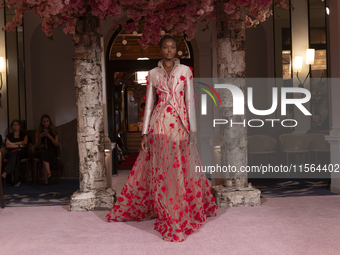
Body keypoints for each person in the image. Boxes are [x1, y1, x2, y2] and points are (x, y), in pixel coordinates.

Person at [107, 35, 218, 242]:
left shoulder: (186, 71)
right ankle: (167, 208)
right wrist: (144, 133)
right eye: (166, 47)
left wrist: (193, 130)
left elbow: (188, 100)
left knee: (179, 167)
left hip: (180, 124)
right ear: (160, 50)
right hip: (159, 123)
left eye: (173, 47)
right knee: (163, 168)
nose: (169, 50)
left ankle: (179, 206)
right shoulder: (153, 73)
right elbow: (149, 104)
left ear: (176, 50)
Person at [1, 120, 28, 187]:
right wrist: (19, 145)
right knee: (15, 156)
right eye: (14, 125)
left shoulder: (24, 134)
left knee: (15, 155)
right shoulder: (9, 135)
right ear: (12, 127)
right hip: (11, 153)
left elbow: (25, 143)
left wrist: (13, 143)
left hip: (21, 152)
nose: (15, 126)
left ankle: (5, 172)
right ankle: (16, 181)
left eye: (17, 125)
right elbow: (7, 145)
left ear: (20, 126)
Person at [35, 114, 59, 185]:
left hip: (51, 150)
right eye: (44, 121)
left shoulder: (54, 132)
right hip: (41, 150)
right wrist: (40, 137)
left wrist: (50, 137)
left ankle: (46, 179)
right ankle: (49, 174)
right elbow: (36, 145)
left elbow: (56, 144)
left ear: (49, 122)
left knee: (44, 156)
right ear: (41, 122)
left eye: (47, 121)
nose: (45, 123)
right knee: (43, 153)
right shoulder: (38, 132)